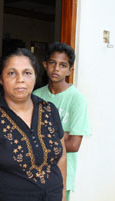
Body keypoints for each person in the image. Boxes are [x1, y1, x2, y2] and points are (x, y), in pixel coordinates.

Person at [0, 48, 67, 201]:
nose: (20, 79)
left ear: (35, 76)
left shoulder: (49, 110)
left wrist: (63, 195)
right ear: (0, 78)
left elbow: (62, 158)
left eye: (27, 73)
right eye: (12, 73)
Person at [33, 42, 91, 201]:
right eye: (52, 63)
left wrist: (41, 134)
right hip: (34, 173)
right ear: (45, 65)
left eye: (63, 65)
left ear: (70, 70)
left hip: (61, 175)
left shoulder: (77, 100)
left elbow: (73, 145)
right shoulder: (35, 96)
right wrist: (62, 135)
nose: (56, 68)